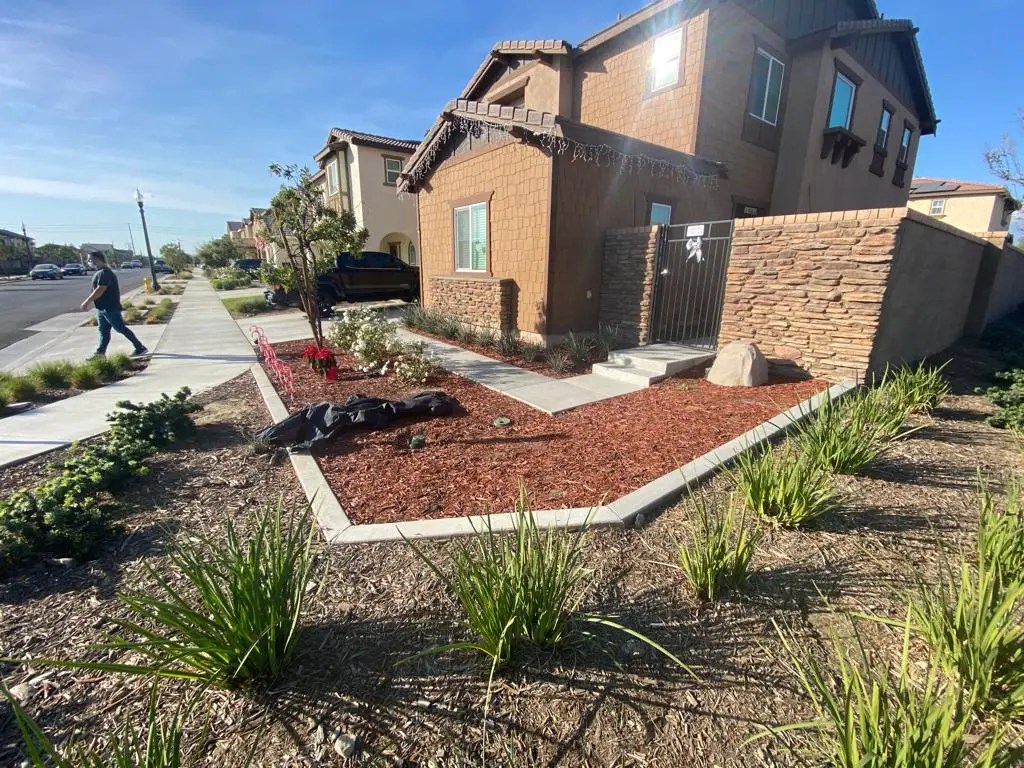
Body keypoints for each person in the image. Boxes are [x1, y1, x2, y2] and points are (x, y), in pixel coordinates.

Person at [80, 251, 149, 357]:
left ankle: (140, 347)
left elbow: (101, 289)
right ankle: (100, 353)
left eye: (90, 259)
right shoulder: (100, 272)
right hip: (101, 308)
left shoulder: (105, 273)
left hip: (110, 308)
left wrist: (87, 301)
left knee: (120, 328)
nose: (88, 261)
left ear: (97, 259)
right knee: (103, 331)